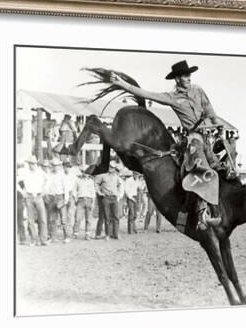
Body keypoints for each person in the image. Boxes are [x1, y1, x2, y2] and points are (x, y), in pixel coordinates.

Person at [109, 60, 226, 229]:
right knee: (203, 171)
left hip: (209, 138)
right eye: (185, 75)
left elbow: (210, 112)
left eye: (189, 75)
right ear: (177, 78)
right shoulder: (172, 97)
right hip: (194, 141)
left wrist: (218, 127)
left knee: (224, 168)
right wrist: (122, 84)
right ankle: (202, 215)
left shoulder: (198, 90)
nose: (189, 78)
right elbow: (145, 93)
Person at [21, 156, 48, 246]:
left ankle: (43, 239)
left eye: (32, 163)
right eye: (29, 163)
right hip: (29, 196)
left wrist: (44, 190)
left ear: (36, 164)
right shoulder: (26, 173)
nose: (31, 165)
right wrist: (22, 192)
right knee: (30, 220)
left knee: (42, 218)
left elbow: (48, 180)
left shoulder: (40, 172)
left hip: (38, 196)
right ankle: (34, 239)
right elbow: (16, 181)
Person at [94, 161, 124, 240]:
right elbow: (96, 183)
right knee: (107, 217)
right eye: (110, 167)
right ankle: (107, 234)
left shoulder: (116, 177)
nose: (111, 169)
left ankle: (116, 234)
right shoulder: (103, 175)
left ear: (114, 169)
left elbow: (120, 184)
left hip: (114, 198)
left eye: (113, 167)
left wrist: (118, 193)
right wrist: (99, 192)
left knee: (116, 217)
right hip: (106, 198)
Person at [46, 158, 65, 242]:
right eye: (53, 165)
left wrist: (66, 199)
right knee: (52, 218)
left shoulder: (62, 175)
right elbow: (46, 186)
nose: (55, 167)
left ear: (59, 166)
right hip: (51, 197)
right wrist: (46, 194)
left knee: (63, 217)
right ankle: (53, 236)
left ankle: (67, 236)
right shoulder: (49, 175)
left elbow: (66, 188)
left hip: (60, 196)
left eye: (56, 165)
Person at [74, 166, 96, 240]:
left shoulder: (91, 181)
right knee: (77, 218)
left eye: (86, 172)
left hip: (89, 200)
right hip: (80, 200)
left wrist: (93, 203)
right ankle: (75, 233)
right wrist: (75, 199)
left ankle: (87, 234)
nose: (85, 173)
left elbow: (93, 193)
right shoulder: (78, 181)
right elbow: (74, 191)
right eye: (83, 171)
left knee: (88, 219)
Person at [60, 160, 77, 243]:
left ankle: (68, 235)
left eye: (69, 167)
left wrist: (74, 196)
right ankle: (65, 235)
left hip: (71, 196)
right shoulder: (60, 176)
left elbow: (75, 186)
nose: (68, 168)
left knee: (70, 216)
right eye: (66, 167)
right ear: (63, 167)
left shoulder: (73, 176)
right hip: (62, 196)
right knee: (63, 217)